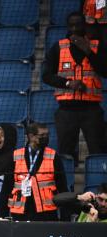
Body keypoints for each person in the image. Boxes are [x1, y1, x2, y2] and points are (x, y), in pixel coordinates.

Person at [42, 11, 107, 164]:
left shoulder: (97, 46)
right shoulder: (58, 48)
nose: (75, 28)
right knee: (65, 153)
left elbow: (105, 71)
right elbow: (46, 76)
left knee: (98, 150)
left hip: (92, 110)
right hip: (66, 110)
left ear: (84, 25)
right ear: (68, 26)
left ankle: (100, 184)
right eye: (71, 25)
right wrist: (68, 83)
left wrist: (88, 51)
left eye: (78, 24)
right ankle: (68, 185)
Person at [0, 122, 68, 221]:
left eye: (47, 135)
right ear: (31, 136)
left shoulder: (53, 156)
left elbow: (62, 188)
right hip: (20, 212)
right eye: (42, 135)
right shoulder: (15, 156)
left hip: (47, 214)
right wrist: (2, 215)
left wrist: (65, 216)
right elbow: (6, 188)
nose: (46, 138)